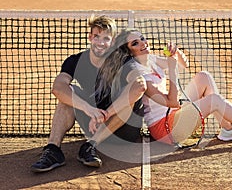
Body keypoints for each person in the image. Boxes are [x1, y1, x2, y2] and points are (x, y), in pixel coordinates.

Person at [91, 28, 232, 147]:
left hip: (175, 115)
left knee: (204, 77)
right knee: (214, 101)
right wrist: (172, 70)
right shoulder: (138, 74)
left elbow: (184, 64)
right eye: (136, 43)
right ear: (130, 51)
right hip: (164, 129)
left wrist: (175, 55)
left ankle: (227, 129)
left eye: (142, 38)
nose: (143, 43)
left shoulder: (150, 59)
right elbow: (172, 101)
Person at [31, 15, 146, 173]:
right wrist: (88, 109)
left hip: (123, 131)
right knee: (69, 94)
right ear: (90, 37)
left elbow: (139, 86)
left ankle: (90, 145)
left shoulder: (123, 61)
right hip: (93, 122)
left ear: (112, 42)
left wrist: (106, 114)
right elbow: (58, 88)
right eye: (97, 36)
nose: (100, 42)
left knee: (128, 99)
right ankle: (53, 150)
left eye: (106, 38)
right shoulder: (75, 61)